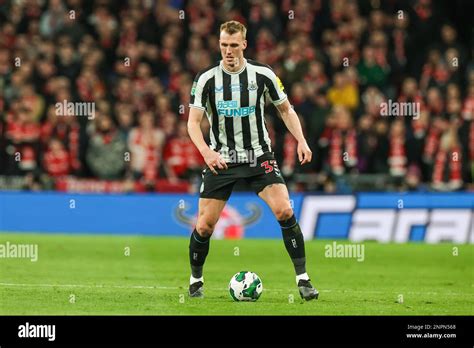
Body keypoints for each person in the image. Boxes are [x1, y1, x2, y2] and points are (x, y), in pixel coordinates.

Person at [187, 20, 318, 301]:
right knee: (204, 226)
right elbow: (192, 123)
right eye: (224, 45)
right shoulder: (206, 79)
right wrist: (207, 152)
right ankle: (196, 281)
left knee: (284, 210)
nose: (228, 51)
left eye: (234, 45)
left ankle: (303, 280)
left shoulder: (263, 74)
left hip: (259, 156)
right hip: (221, 159)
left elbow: (286, 110)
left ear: (244, 44)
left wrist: (302, 140)